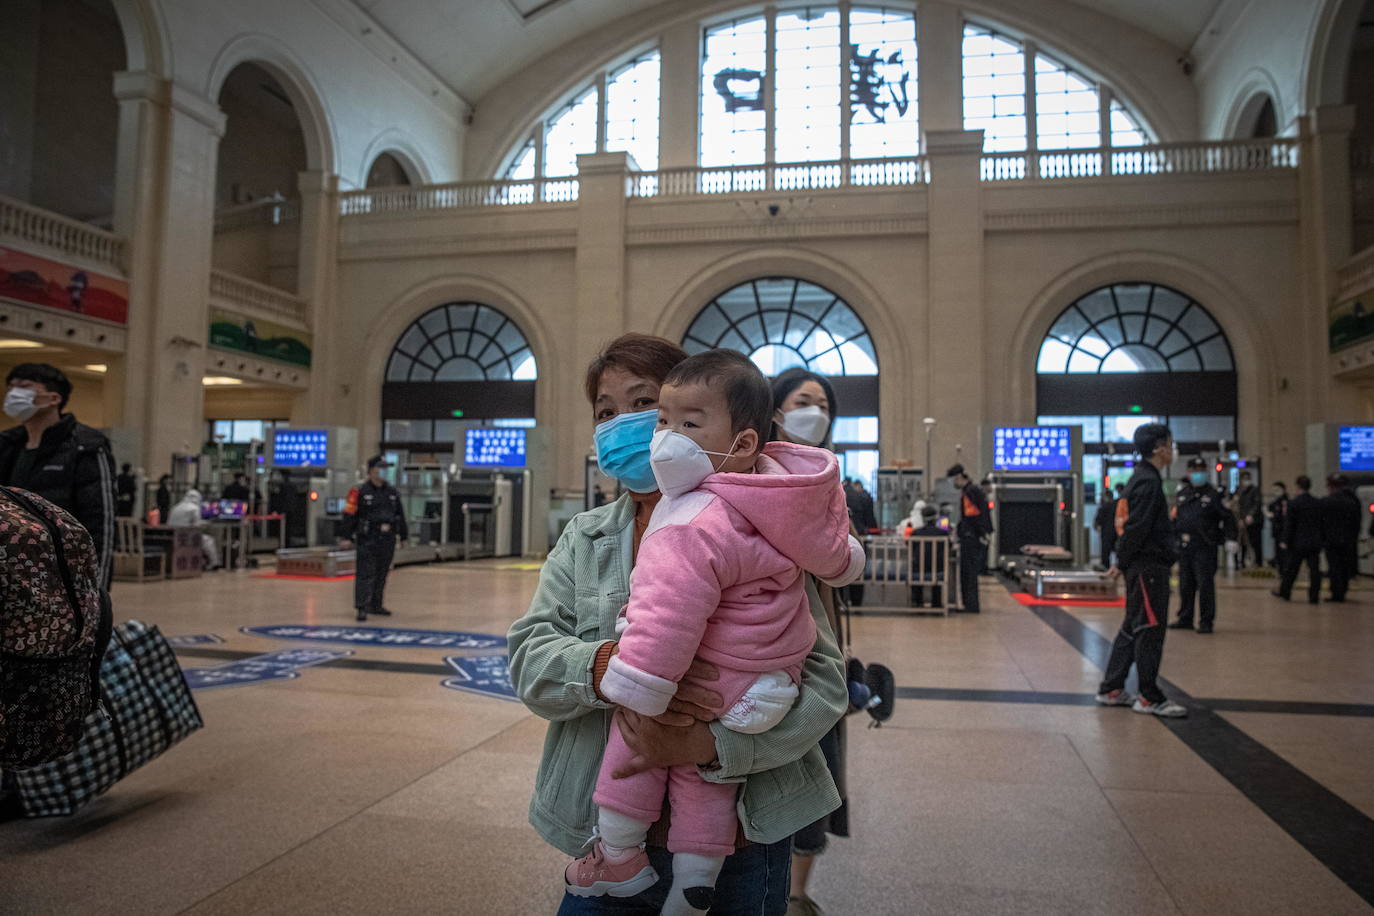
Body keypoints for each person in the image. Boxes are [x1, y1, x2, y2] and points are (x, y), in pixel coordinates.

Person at [507, 334, 848, 916]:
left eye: (646, 405)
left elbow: (824, 682)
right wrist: (615, 665)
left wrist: (712, 744)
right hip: (605, 829)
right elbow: (527, 657)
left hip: (745, 836)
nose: (626, 425)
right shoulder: (584, 538)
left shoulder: (767, 531)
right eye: (606, 413)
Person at [769, 367, 856, 916]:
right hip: (769, 645)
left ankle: (798, 893)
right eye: (804, 401)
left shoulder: (833, 479)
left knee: (821, 761)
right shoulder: (757, 472)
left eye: (823, 403)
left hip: (823, 646)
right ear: (775, 410)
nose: (815, 412)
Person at [1095, 423, 1187, 718]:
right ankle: (1149, 696)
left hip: (1141, 565)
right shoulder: (1147, 482)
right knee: (1149, 629)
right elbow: (1137, 528)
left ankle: (1111, 687)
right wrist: (1121, 562)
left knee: (1132, 627)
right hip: (1148, 567)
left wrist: (1122, 562)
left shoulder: (1139, 478)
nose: (1172, 450)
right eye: (1170, 444)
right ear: (1159, 448)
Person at [0, 363, 116, 587]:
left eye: (24, 387)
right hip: (9, 568)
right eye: (11, 387)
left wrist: (98, 589)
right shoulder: (7, 444)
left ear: (54, 398)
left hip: (58, 570)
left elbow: (100, 520)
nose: (14, 394)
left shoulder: (86, 445)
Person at [1168, 458, 1236, 634]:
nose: (1198, 473)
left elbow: (1228, 518)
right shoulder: (1183, 493)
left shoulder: (1214, 495)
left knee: (1205, 585)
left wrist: (1231, 539)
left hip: (1204, 545)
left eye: (1201, 469)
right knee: (1185, 584)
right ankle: (1185, 617)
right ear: (1188, 472)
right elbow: (1177, 519)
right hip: (1185, 546)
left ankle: (1206, 621)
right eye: (1194, 470)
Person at [339, 456, 408, 622]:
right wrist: (346, 536)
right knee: (365, 573)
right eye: (379, 468)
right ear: (370, 471)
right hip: (368, 537)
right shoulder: (359, 491)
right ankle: (362, 607)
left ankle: (376, 604)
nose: (383, 471)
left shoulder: (391, 492)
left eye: (385, 468)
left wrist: (404, 536)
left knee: (382, 573)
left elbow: (400, 515)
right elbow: (349, 515)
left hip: (387, 539)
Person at [948, 463, 992, 614]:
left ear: (959, 477)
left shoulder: (969, 492)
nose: (953, 484)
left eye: (953, 480)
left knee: (968, 573)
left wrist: (968, 532)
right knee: (969, 572)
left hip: (970, 538)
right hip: (973, 536)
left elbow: (972, 516)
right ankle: (970, 604)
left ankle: (970, 605)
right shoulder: (973, 490)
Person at [1273, 476, 1324, 604]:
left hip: (1298, 542)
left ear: (1298, 486)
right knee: (1314, 570)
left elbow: (1290, 524)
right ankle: (1314, 595)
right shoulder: (1317, 503)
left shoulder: (1294, 503)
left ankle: (1285, 591)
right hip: (1313, 542)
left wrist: (1285, 540)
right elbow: (1321, 523)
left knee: (1291, 569)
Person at [1322, 474, 1361, 603]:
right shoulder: (1352, 502)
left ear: (1331, 487)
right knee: (1345, 567)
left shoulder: (1326, 502)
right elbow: (1357, 523)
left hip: (1331, 541)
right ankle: (1343, 591)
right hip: (1348, 541)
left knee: (1334, 567)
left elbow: (1321, 522)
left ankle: (1336, 593)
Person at [906, 504, 948, 609]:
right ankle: (936, 603)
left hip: (919, 569)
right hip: (937, 570)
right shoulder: (943, 533)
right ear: (935, 517)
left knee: (917, 567)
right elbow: (949, 546)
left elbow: (909, 546)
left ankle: (917, 601)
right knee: (937, 567)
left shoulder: (916, 533)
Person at [167, 488, 219, 570]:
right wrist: (206, 523)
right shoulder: (194, 508)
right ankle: (214, 564)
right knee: (209, 540)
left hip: (172, 536)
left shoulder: (176, 506)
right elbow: (196, 526)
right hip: (185, 537)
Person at [1235, 470, 1262, 568]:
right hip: (1241, 520)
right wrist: (1239, 519)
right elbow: (1236, 505)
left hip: (1253, 521)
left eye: (1248, 479)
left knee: (1255, 542)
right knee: (1242, 543)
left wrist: (1250, 515)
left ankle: (1258, 562)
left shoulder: (1254, 490)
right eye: (1244, 479)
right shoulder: (1238, 490)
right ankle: (1241, 562)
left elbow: (1257, 504)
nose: (1246, 481)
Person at [1093, 484, 1122, 567]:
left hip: (1106, 532)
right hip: (1116, 531)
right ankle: (1118, 567)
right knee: (1117, 550)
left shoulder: (1103, 507)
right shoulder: (1117, 505)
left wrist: (1097, 526)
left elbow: (1098, 521)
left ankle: (1105, 567)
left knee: (1105, 552)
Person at [1267, 482, 1290, 574]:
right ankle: (1280, 569)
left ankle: (1284, 571)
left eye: (1277, 490)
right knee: (1278, 552)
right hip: (1277, 530)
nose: (1275, 492)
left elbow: (1282, 517)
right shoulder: (1275, 503)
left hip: (1283, 531)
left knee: (1283, 553)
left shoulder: (1285, 502)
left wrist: (1273, 516)